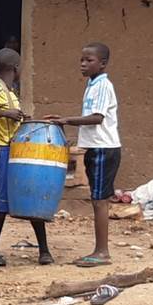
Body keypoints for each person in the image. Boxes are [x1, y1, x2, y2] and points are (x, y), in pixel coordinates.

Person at [47, 43, 120, 267]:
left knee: (99, 201)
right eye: (82, 60)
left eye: (89, 60)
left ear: (103, 64)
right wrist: (65, 119)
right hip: (96, 147)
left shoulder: (103, 86)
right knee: (97, 199)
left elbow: (97, 118)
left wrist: (67, 120)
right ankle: (100, 250)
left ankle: (102, 252)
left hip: (103, 148)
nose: (83, 64)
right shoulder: (92, 84)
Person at [0, 48, 53, 266]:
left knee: (30, 195)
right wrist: (5, 113)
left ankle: (44, 250)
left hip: (16, 150)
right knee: (0, 204)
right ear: (16, 68)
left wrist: (21, 119)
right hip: (1, 150)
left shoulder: (11, 92)